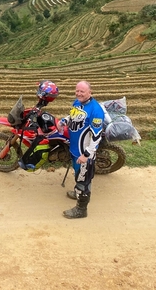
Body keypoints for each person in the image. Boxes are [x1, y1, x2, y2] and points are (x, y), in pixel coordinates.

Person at [60, 80, 104, 219]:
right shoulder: (77, 103)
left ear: (90, 92)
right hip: (75, 149)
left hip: (85, 153)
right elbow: (73, 115)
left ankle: (81, 209)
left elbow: (96, 137)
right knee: (78, 175)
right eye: (77, 90)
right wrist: (65, 121)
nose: (78, 93)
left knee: (84, 181)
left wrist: (86, 155)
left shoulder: (96, 111)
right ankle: (77, 192)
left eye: (82, 91)